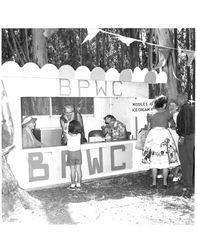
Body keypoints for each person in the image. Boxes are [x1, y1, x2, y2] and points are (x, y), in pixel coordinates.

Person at [142, 95, 180, 188]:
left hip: (153, 134)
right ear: (163, 104)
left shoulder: (150, 114)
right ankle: (165, 183)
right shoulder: (167, 113)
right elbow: (173, 126)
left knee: (154, 159)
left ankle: (154, 183)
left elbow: (148, 127)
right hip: (164, 134)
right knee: (165, 159)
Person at [176, 93, 195, 192]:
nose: (177, 101)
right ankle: (186, 180)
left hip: (186, 137)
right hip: (187, 136)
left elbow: (187, 124)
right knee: (186, 159)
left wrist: (182, 135)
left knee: (186, 159)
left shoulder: (186, 109)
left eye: (178, 99)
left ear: (183, 99)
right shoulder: (188, 108)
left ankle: (188, 183)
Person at [66, 120, 83, 190]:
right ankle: (78, 184)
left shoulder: (67, 135)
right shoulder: (79, 135)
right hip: (78, 153)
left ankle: (72, 185)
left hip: (71, 153)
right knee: (78, 169)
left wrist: (66, 129)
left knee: (72, 170)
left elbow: (64, 139)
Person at [168, 99, 181, 182]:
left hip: (176, 137)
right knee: (171, 155)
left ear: (177, 107)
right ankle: (173, 173)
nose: (171, 107)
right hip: (170, 138)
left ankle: (177, 174)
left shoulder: (177, 115)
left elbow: (177, 127)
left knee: (177, 155)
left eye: (173, 106)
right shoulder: (169, 115)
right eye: (170, 106)